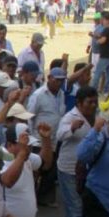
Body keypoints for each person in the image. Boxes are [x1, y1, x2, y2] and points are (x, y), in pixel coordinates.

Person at [56, 86, 98, 217]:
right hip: (68, 168)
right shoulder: (70, 117)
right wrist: (71, 128)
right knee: (75, 207)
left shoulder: (97, 117)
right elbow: (59, 135)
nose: (93, 105)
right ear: (79, 103)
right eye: (89, 102)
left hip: (86, 170)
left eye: (95, 102)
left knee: (76, 206)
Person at [27, 67, 67, 206]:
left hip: (54, 138)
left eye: (62, 81)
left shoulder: (61, 94)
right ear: (49, 78)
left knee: (50, 170)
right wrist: (31, 136)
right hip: (39, 139)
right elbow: (30, 116)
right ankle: (30, 197)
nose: (59, 83)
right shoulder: (38, 95)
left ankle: (43, 198)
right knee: (36, 169)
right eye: (57, 80)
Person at [90, 12, 109, 95]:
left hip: (105, 55)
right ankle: (106, 90)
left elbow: (103, 40)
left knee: (97, 72)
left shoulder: (107, 29)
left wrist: (97, 41)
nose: (102, 21)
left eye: (104, 19)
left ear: (108, 21)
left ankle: (93, 90)